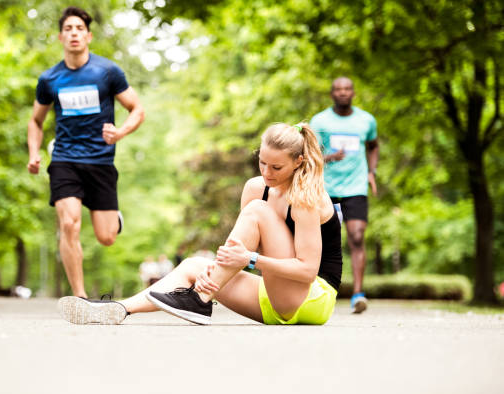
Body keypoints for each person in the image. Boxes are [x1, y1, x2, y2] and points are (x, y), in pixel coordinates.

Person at [57, 123, 342, 326]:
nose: (266, 173)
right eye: (262, 162)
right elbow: (239, 253)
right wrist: (221, 271)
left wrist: (250, 260)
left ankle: (200, 298)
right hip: (274, 295)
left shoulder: (307, 197)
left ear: (298, 162)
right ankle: (118, 309)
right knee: (193, 266)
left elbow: (306, 271)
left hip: (310, 299)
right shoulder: (257, 188)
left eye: (276, 168)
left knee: (257, 211)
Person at [27, 7, 145, 299]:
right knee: (69, 224)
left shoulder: (107, 72)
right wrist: (33, 152)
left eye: (79, 28)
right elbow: (36, 120)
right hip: (65, 158)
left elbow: (137, 109)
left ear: (88, 35)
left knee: (106, 238)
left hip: (101, 161)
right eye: (68, 29)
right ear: (60, 37)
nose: (74, 33)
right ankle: (79, 297)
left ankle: (113, 218)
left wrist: (120, 132)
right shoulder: (50, 79)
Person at [309, 77, 379, 314]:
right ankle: (318, 290)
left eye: (347, 89)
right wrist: (329, 158)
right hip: (326, 188)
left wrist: (372, 172)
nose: (343, 92)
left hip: (356, 187)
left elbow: (373, 145)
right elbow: (309, 154)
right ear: (331, 94)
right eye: (338, 89)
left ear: (353, 93)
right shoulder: (320, 121)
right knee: (322, 240)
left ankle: (358, 294)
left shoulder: (366, 120)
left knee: (357, 236)